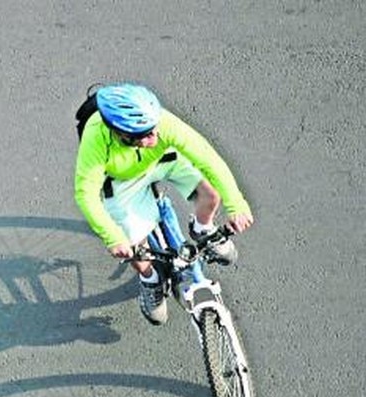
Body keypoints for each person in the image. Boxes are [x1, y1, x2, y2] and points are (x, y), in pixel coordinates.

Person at [74, 83, 254, 324]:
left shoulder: (161, 124)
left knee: (210, 195)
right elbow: (86, 193)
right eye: (146, 135)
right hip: (122, 180)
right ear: (120, 133)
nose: (155, 136)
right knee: (134, 244)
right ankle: (150, 279)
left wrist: (236, 205)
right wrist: (113, 238)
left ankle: (203, 229)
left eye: (154, 128)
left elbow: (208, 158)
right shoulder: (96, 136)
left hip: (163, 160)